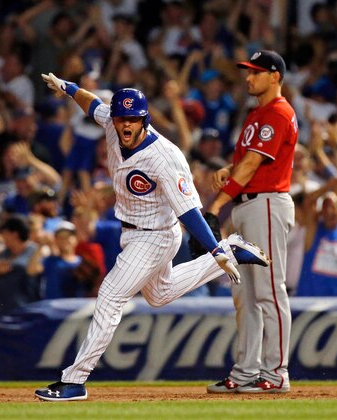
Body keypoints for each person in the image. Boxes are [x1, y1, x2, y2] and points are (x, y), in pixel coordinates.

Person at [34, 71, 269, 402]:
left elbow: (189, 212)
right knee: (159, 294)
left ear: (144, 119)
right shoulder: (113, 125)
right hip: (132, 232)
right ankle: (233, 251)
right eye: (121, 119)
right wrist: (69, 88)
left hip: (155, 236)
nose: (126, 125)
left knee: (111, 295)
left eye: (133, 119)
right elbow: (94, 105)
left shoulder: (165, 157)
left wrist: (212, 247)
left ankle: (75, 380)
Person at [206, 50, 298, 394]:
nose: (249, 77)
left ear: (275, 76)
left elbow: (253, 165)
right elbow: (246, 164)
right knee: (244, 293)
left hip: (267, 205)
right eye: (248, 71)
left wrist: (215, 206)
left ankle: (275, 374)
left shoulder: (277, 112)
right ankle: (246, 372)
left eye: (257, 72)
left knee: (269, 291)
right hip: (248, 206)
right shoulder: (257, 114)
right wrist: (229, 170)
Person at [0, 215, 41, 322]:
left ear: (14, 234)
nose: (1, 236)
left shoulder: (36, 251)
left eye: (4, 232)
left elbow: (37, 271)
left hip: (26, 313)